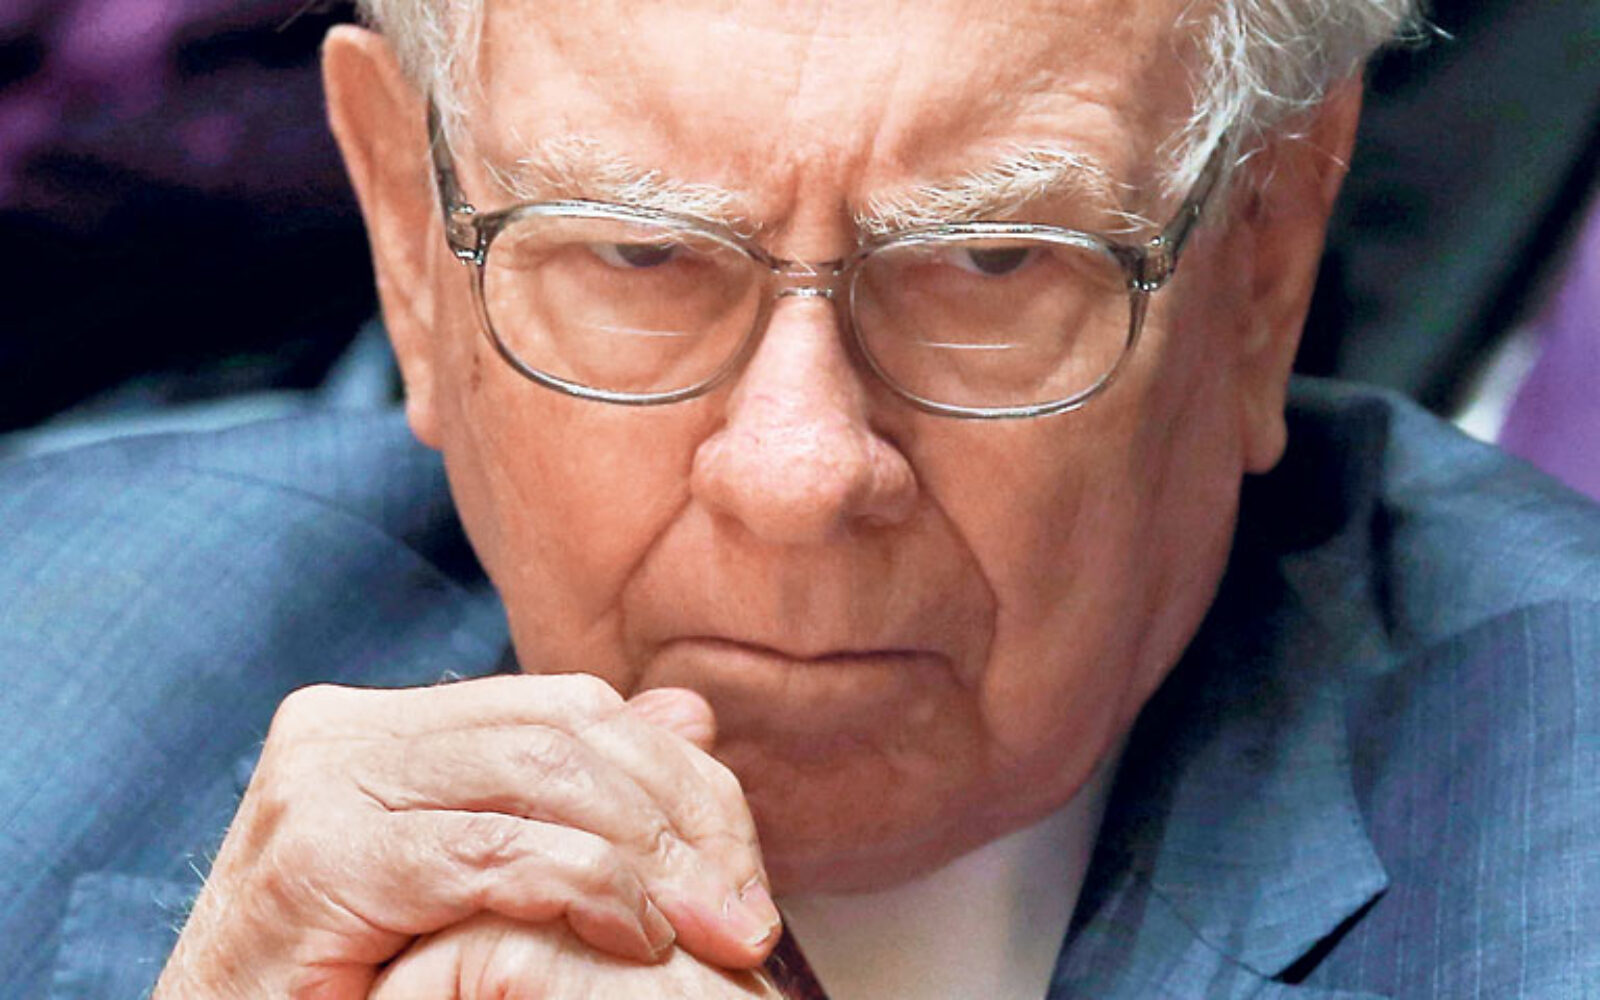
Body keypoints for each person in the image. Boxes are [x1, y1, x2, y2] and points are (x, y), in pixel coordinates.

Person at [3, 1, 1600, 997]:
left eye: (994, 261)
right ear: (411, 249)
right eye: (638, 252)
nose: (800, 472)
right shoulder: (43, 658)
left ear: (1265, 260)